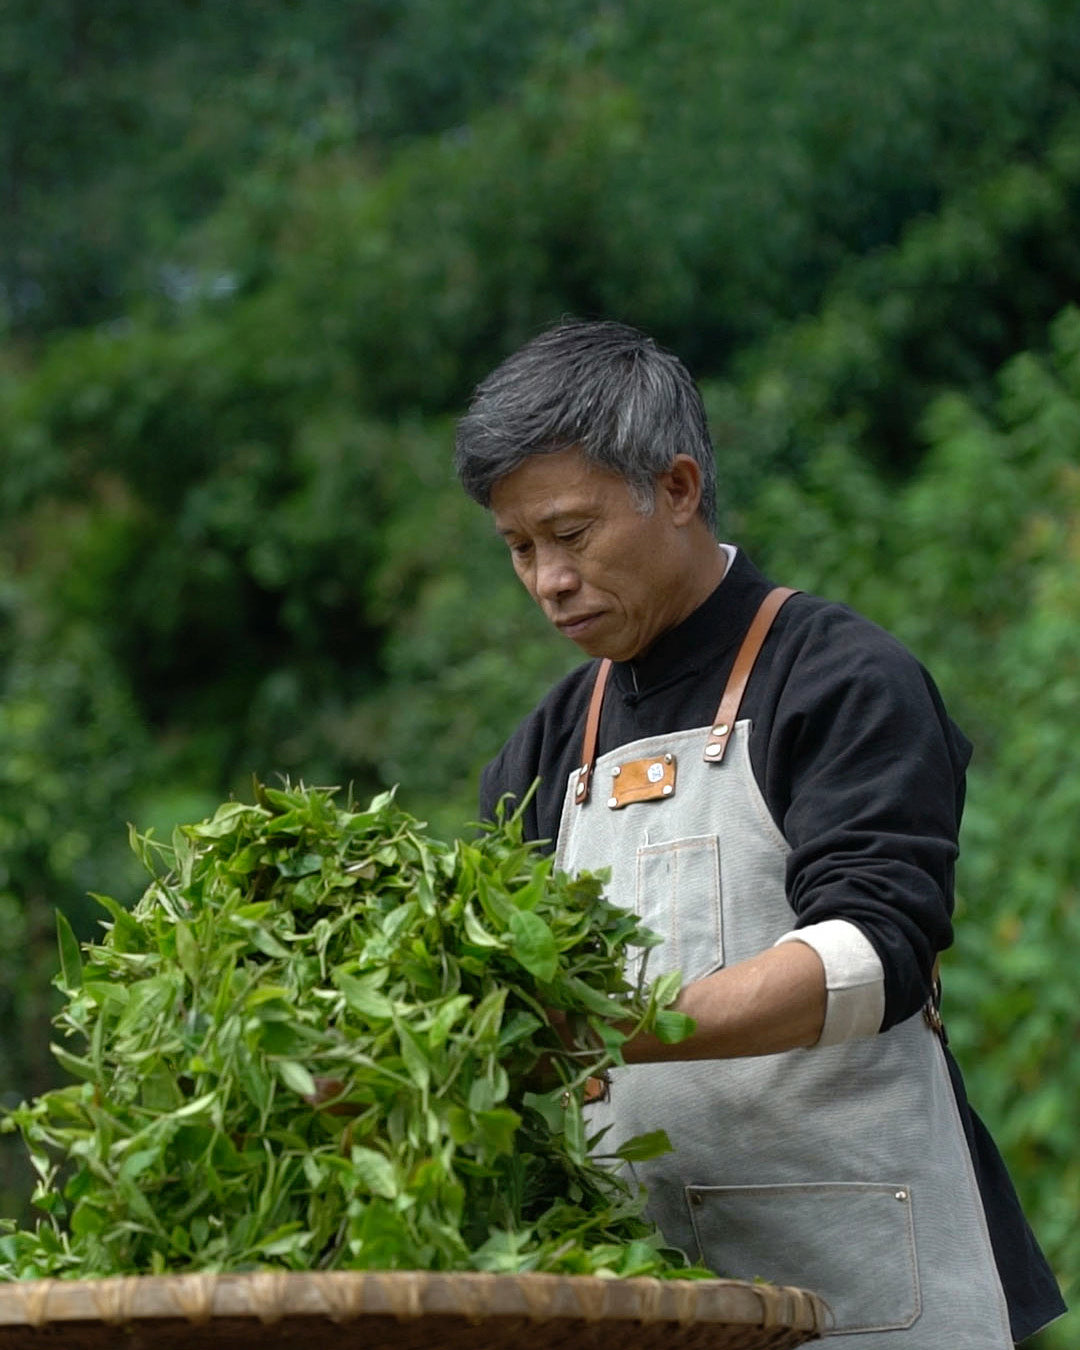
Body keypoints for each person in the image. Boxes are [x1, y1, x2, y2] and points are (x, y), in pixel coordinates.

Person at [453, 320, 1065, 1347]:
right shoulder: (545, 748)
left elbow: (874, 959)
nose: (547, 580)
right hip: (646, 1294)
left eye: (570, 534)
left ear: (680, 488)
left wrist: (611, 1024)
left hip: (868, 1287)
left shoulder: (840, 680)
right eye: (519, 548)